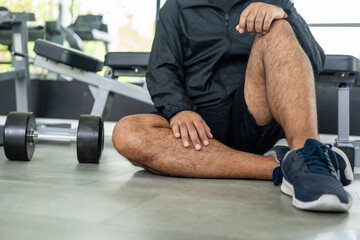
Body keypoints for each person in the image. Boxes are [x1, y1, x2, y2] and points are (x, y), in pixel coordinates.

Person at [112, 0, 354, 212]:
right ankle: (283, 164)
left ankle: (308, 155)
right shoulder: (175, 7)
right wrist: (179, 109)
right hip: (200, 127)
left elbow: (314, 59)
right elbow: (162, 69)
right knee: (127, 134)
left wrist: (283, 16)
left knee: (278, 28)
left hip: (256, 114)